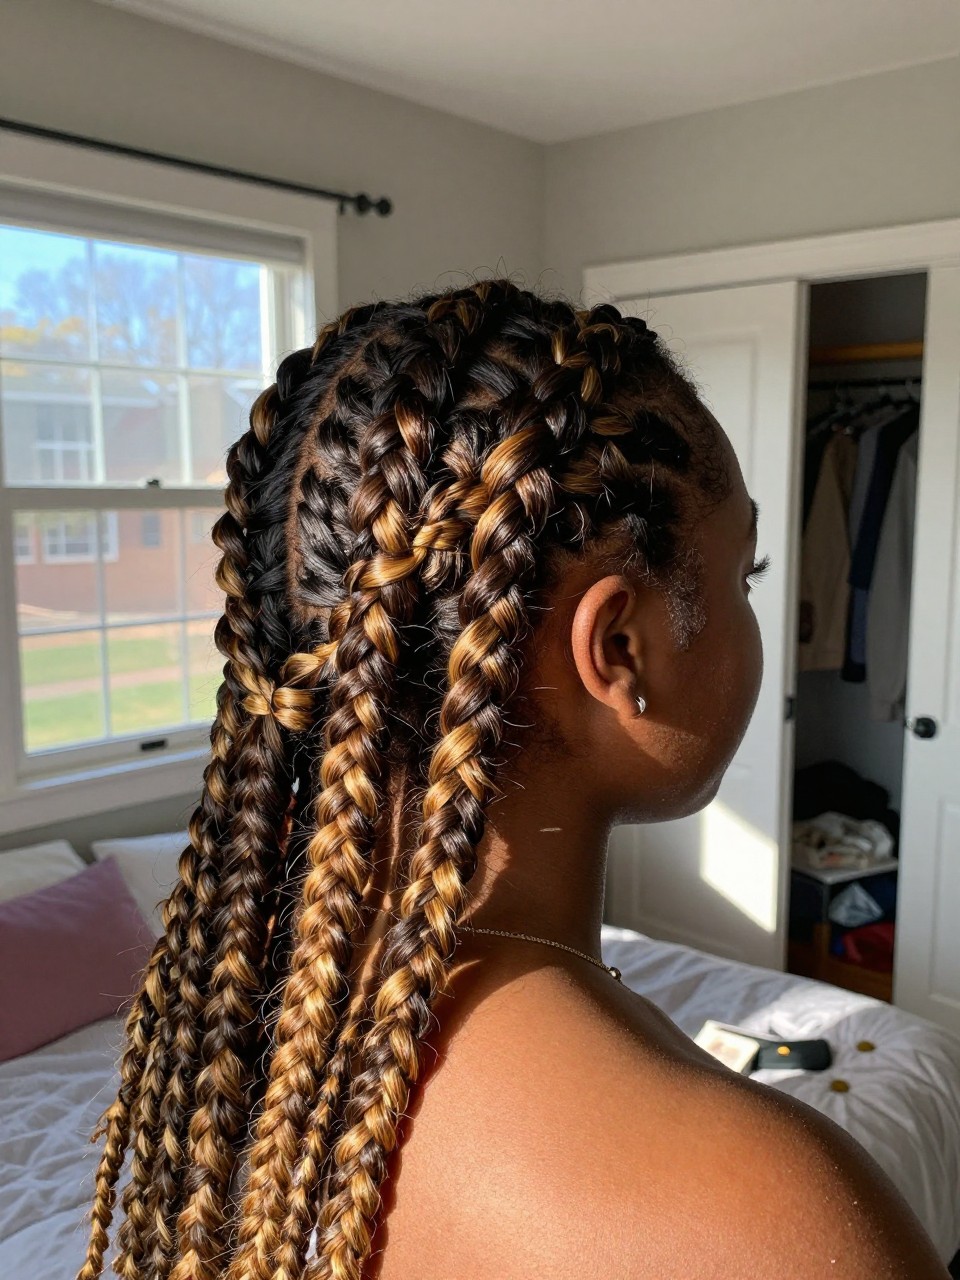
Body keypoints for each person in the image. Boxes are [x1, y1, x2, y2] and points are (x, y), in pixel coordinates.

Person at [78, 279, 949, 1280]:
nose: (758, 619)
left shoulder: (239, 1039)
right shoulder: (784, 1218)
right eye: (743, 576)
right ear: (618, 646)